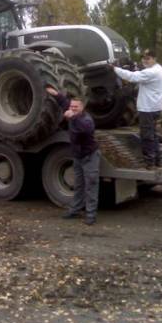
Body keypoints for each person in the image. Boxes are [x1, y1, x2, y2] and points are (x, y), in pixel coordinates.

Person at [46, 87, 100, 225]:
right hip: (78, 156)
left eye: (76, 106)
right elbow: (63, 102)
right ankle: (75, 210)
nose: (73, 108)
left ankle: (91, 215)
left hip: (90, 156)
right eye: (72, 106)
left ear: (82, 107)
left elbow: (83, 129)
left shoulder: (86, 120)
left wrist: (73, 117)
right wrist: (55, 93)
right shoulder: (71, 110)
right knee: (78, 185)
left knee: (91, 185)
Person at [109, 49, 162, 169]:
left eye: (148, 58)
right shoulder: (157, 68)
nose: (145, 60)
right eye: (143, 58)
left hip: (148, 108)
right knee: (153, 135)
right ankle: (157, 160)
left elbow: (133, 77)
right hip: (155, 107)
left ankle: (150, 163)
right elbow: (139, 73)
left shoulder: (151, 73)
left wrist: (115, 69)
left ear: (154, 59)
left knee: (147, 136)